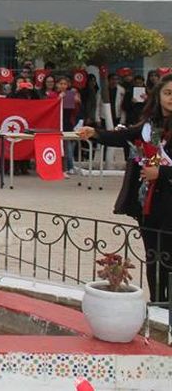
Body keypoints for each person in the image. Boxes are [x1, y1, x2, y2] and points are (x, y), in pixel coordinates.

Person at [78, 73, 172, 305]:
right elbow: (123, 136)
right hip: (149, 201)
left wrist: (161, 173)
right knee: (153, 256)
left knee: (168, 256)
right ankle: (157, 305)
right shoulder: (150, 126)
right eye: (168, 93)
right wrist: (96, 133)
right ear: (158, 96)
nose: (171, 98)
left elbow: (161, 166)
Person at [57, 76, 82, 176]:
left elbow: (76, 111)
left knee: (67, 145)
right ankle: (60, 167)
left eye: (65, 84)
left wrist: (77, 101)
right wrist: (58, 98)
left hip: (67, 123)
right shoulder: (54, 94)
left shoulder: (71, 95)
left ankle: (69, 167)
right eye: (61, 84)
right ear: (57, 85)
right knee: (59, 146)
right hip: (56, 123)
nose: (63, 86)